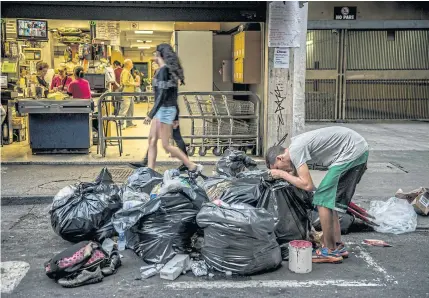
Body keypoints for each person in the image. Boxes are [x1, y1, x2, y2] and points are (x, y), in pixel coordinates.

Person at [265, 126, 369, 264]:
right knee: (328, 201)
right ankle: (337, 245)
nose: (280, 171)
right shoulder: (296, 151)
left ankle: (329, 250)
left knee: (322, 200)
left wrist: (281, 174)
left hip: (352, 151)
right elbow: (300, 182)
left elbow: (307, 185)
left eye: (277, 168)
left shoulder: (295, 150)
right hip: (357, 149)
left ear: (280, 158)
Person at [143, 43, 203, 174]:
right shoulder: (169, 71)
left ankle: (191, 165)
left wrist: (150, 114)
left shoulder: (164, 71)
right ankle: (149, 170)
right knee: (152, 140)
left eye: (155, 53)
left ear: (159, 55)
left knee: (166, 145)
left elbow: (162, 95)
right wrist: (175, 116)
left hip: (164, 110)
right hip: (166, 109)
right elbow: (173, 95)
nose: (153, 55)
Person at [118, 59, 138, 130]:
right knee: (124, 109)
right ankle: (120, 124)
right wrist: (134, 83)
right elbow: (125, 82)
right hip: (126, 94)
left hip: (130, 94)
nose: (132, 64)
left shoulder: (128, 72)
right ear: (128, 64)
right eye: (131, 63)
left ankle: (129, 123)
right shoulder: (125, 72)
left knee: (130, 109)